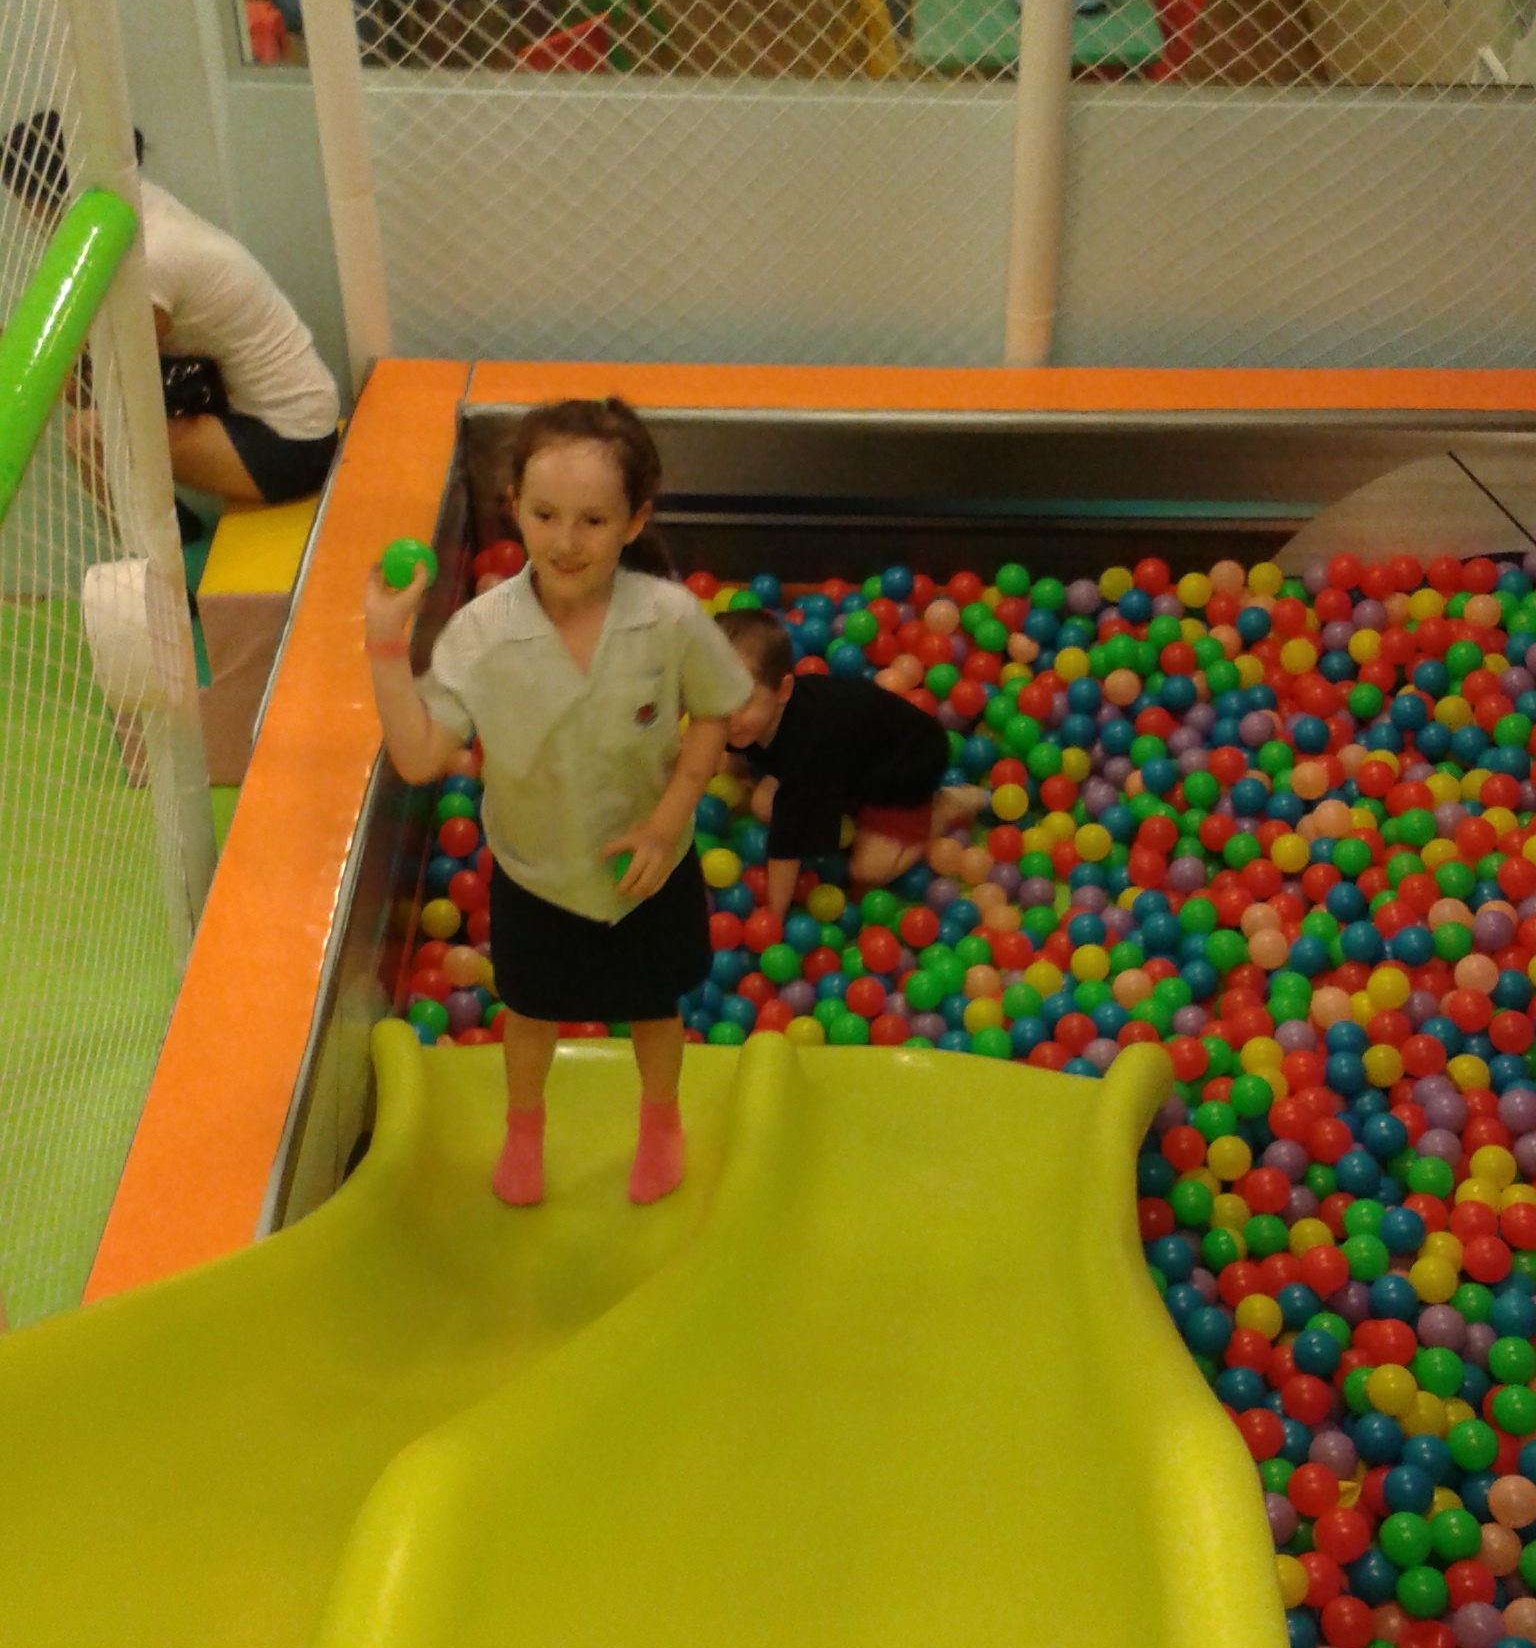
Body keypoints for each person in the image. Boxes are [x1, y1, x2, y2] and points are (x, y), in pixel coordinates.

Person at [364, 397, 752, 1208]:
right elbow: (420, 755)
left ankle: (661, 1122)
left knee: (654, 1007)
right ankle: (525, 1127)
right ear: (515, 506)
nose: (566, 541)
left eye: (593, 521)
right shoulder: (481, 634)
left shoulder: (668, 619)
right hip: (535, 872)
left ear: (635, 520)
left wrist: (667, 821)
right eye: (545, 515)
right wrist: (385, 645)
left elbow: (716, 712)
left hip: (647, 871)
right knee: (531, 1011)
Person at [0, 110, 339, 512]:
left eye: (23, 203)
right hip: (276, 409)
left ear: (42, 200)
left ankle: (172, 544)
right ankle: (177, 532)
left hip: (293, 443)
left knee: (85, 434)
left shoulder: (145, 263)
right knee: (90, 396)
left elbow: (104, 377)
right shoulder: (132, 202)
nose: (25, 217)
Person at [717, 609, 986, 921]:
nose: (728, 715)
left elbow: (786, 850)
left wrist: (773, 916)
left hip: (905, 767)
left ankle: (943, 808)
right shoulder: (739, 719)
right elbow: (724, 752)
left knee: (865, 871)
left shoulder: (804, 754)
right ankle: (843, 802)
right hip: (851, 755)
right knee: (764, 804)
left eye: (743, 700)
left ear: (783, 690)